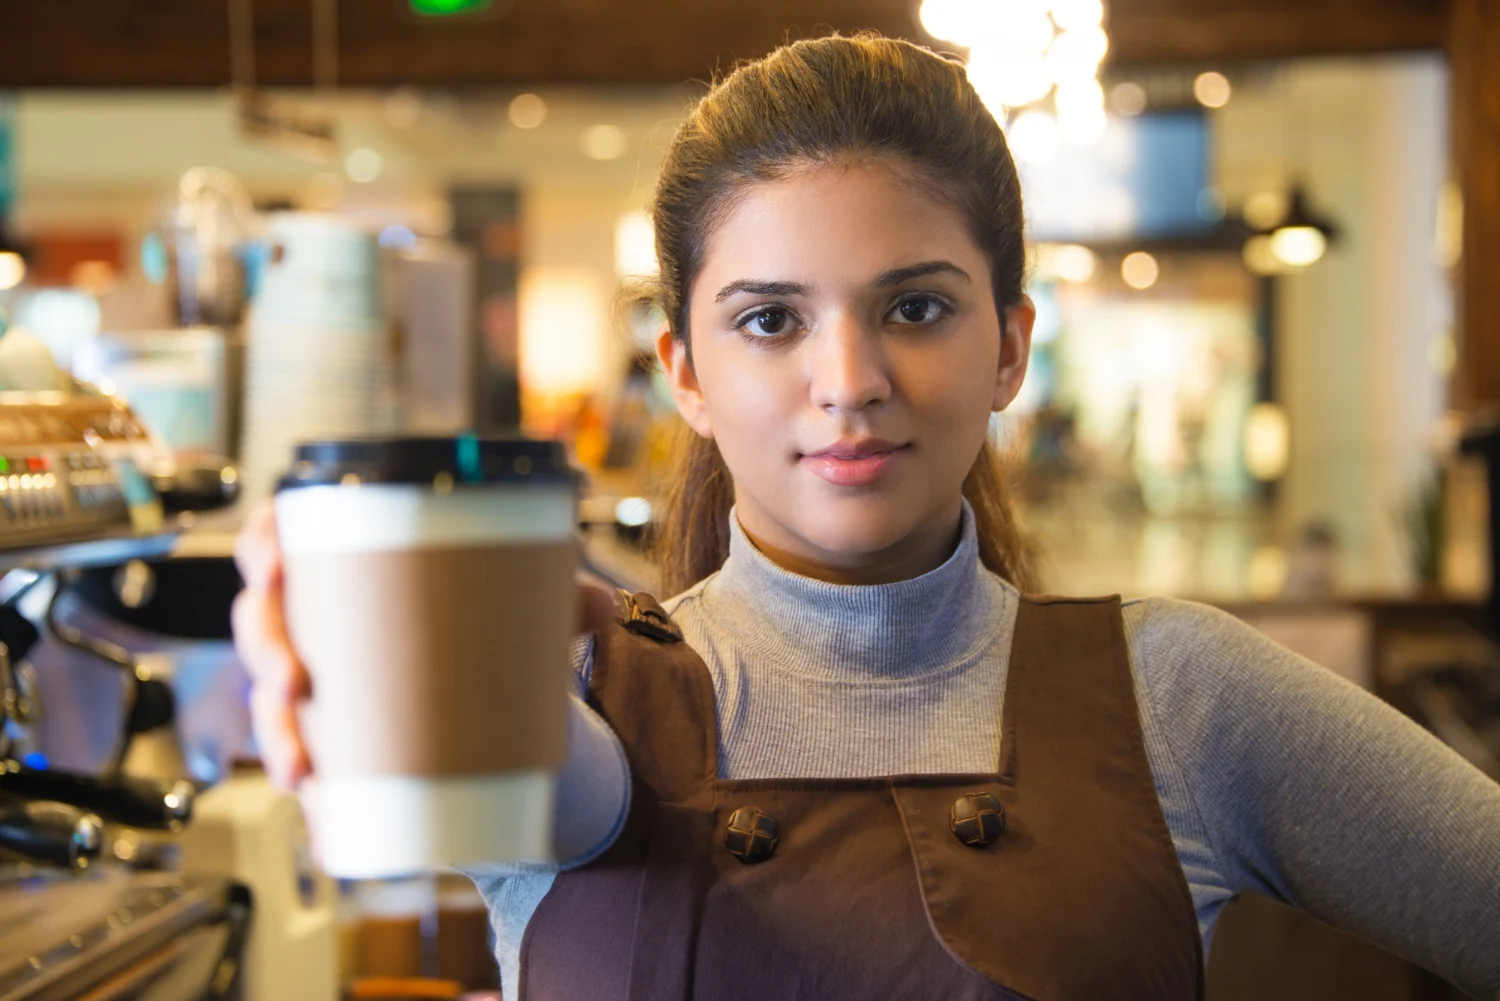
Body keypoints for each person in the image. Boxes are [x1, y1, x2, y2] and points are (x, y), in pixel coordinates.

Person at [233, 34, 1500, 1001]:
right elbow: (554, 783)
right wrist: (341, 625)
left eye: (915, 307)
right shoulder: (577, 698)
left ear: (1009, 347)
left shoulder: (1179, 692)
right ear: (686, 371)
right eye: (771, 319)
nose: (849, 379)